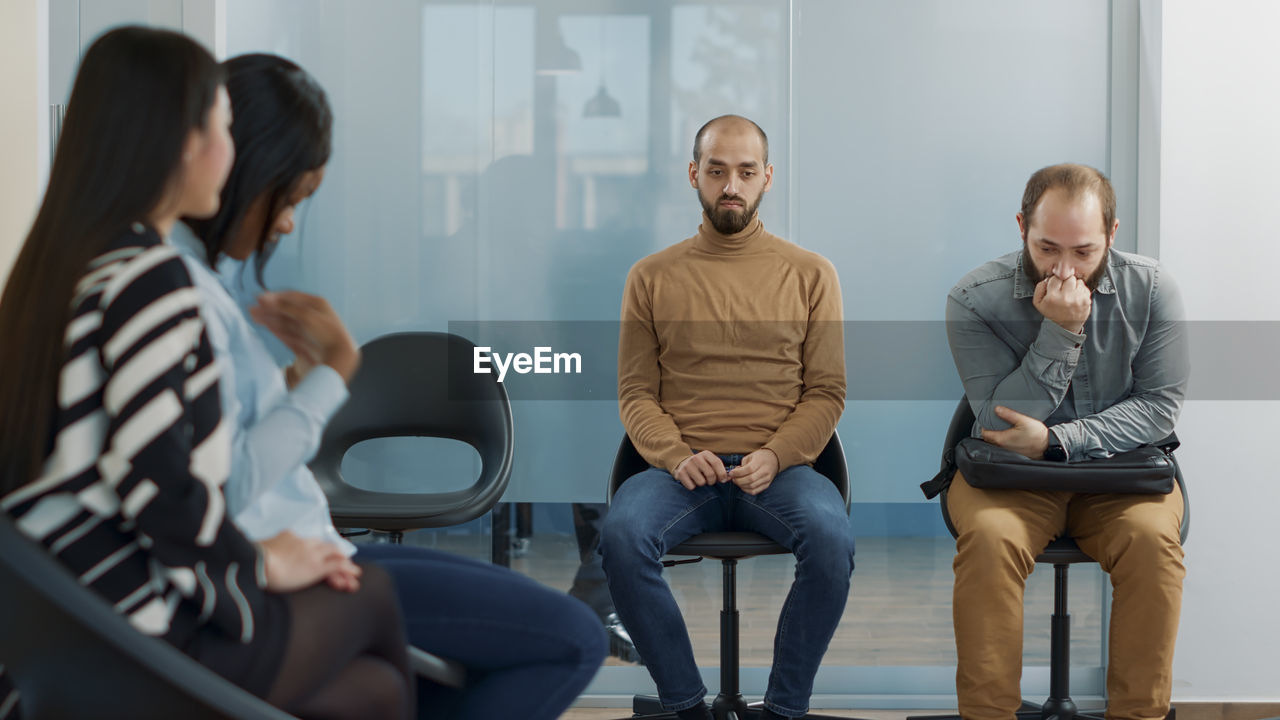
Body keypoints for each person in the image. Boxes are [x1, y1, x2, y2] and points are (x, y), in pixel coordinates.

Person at [174, 52, 606, 720]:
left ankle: (591, 559)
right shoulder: (176, 296)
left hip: (316, 541)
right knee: (572, 639)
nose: (288, 224)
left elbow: (217, 443)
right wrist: (328, 378)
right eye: (290, 198)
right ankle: (595, 566)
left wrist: (296, 382)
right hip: (287, 560)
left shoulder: (199, 286)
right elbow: (220, 485)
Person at [0, 27, 414, 720]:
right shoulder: (151, 278)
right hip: (132, 630)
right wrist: (261, 563)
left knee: (371, 694)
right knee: (370, 594)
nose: (233, 155)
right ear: (183, 141)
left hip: (56, 631)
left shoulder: (62, 269)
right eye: (224, 127)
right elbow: (159, 482)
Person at [600, 115, 853, 720]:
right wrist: (676, 455)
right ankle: (687, 706)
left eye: (745, 172)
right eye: (716, 172)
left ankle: (784, 710)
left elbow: (826, 392)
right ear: (695, 175)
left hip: (780, 472)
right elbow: (635, 392)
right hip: (680, 472)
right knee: (621, 534)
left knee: (831, 538)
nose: (730, 185)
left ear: (767, 178)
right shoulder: (651, 276)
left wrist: (776, 454)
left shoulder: (811, 273)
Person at [944, 163, 1188, 720]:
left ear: (1112, 234)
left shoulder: (1151, 289)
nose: (1063, 269)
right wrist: (1062, 331)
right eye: (1046, 248)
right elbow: (1002, 421)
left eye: (1084, 251)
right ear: (1021, 227)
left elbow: (1159, 409)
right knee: (988, 540)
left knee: (1153, 547)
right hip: (1010, 479)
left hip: (1119, 477)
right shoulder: (973, 299)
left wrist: (1057, 442)